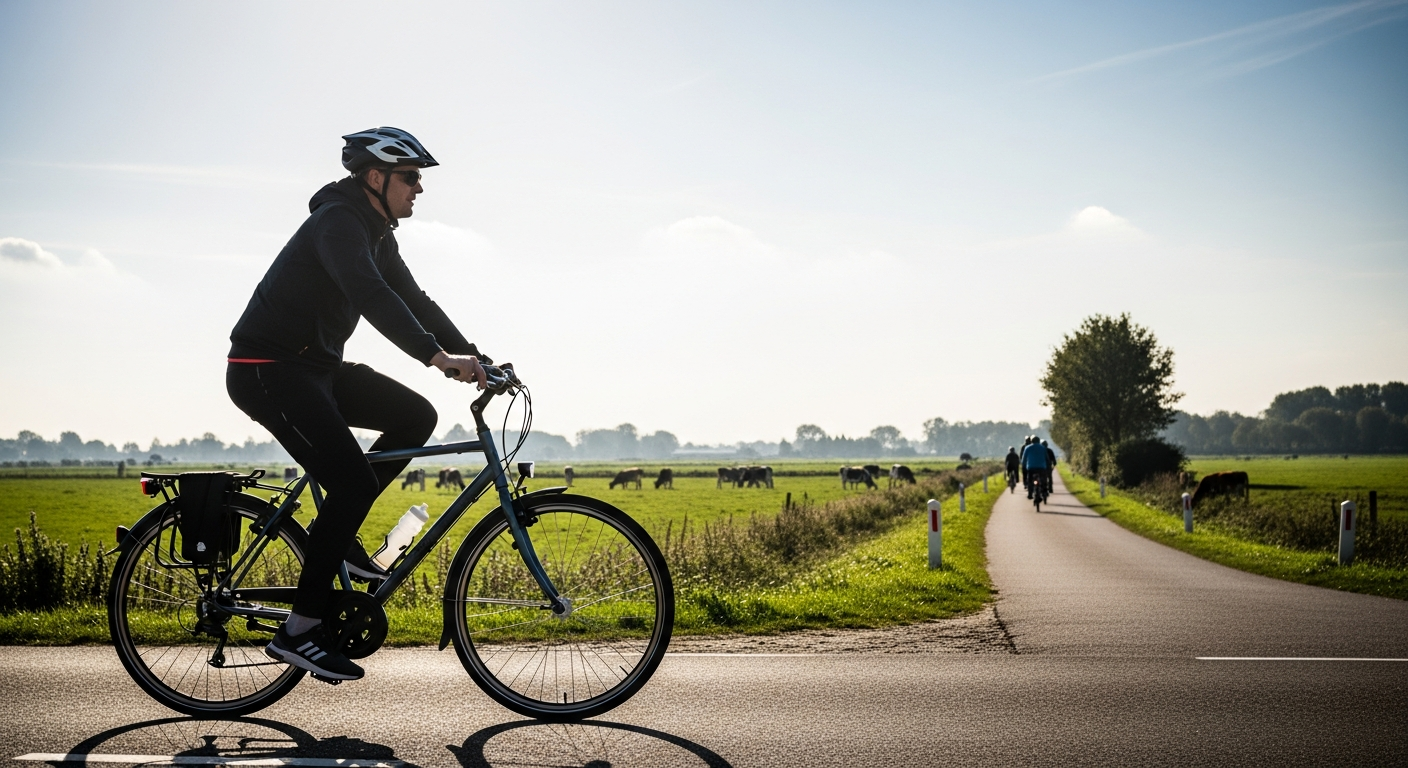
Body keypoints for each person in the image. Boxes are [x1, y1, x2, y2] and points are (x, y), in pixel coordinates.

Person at [226, 127, 491, 681]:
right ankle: (299, 631)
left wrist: (476, 357)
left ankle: (339, 538)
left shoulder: (375, 233)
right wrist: (436, 357)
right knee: (351, 483)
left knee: (415, 417)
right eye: (410, 177)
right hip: (268, 369)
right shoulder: (338, 222)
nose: (419, 188)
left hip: (314, 369)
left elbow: (413, 300)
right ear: (376, 177)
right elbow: (371, 295)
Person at [1021, 435, 1049, 499]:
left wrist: (1024, 465)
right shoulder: (1043, 448)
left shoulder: (1027, 448)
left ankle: (1030, 494)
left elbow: (1024, 459)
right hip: (1041, 467)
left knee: (1030, 480)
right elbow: (1047, 458)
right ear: (1039, 441)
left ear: (1031, 441)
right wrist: (1047, 465)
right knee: (1043, 479)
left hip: (1031, 467)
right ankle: (1044, 492)